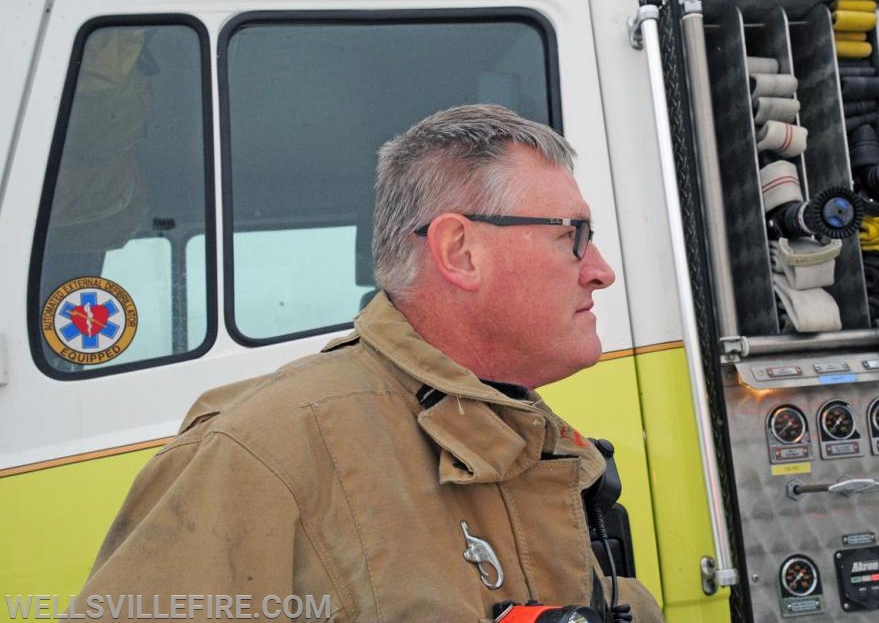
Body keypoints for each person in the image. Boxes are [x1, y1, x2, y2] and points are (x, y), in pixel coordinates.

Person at [76, 104, 664, 622]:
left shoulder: (532, 438)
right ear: (460, 251)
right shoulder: (262, 454)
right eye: (574, 236)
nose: (601, 270)